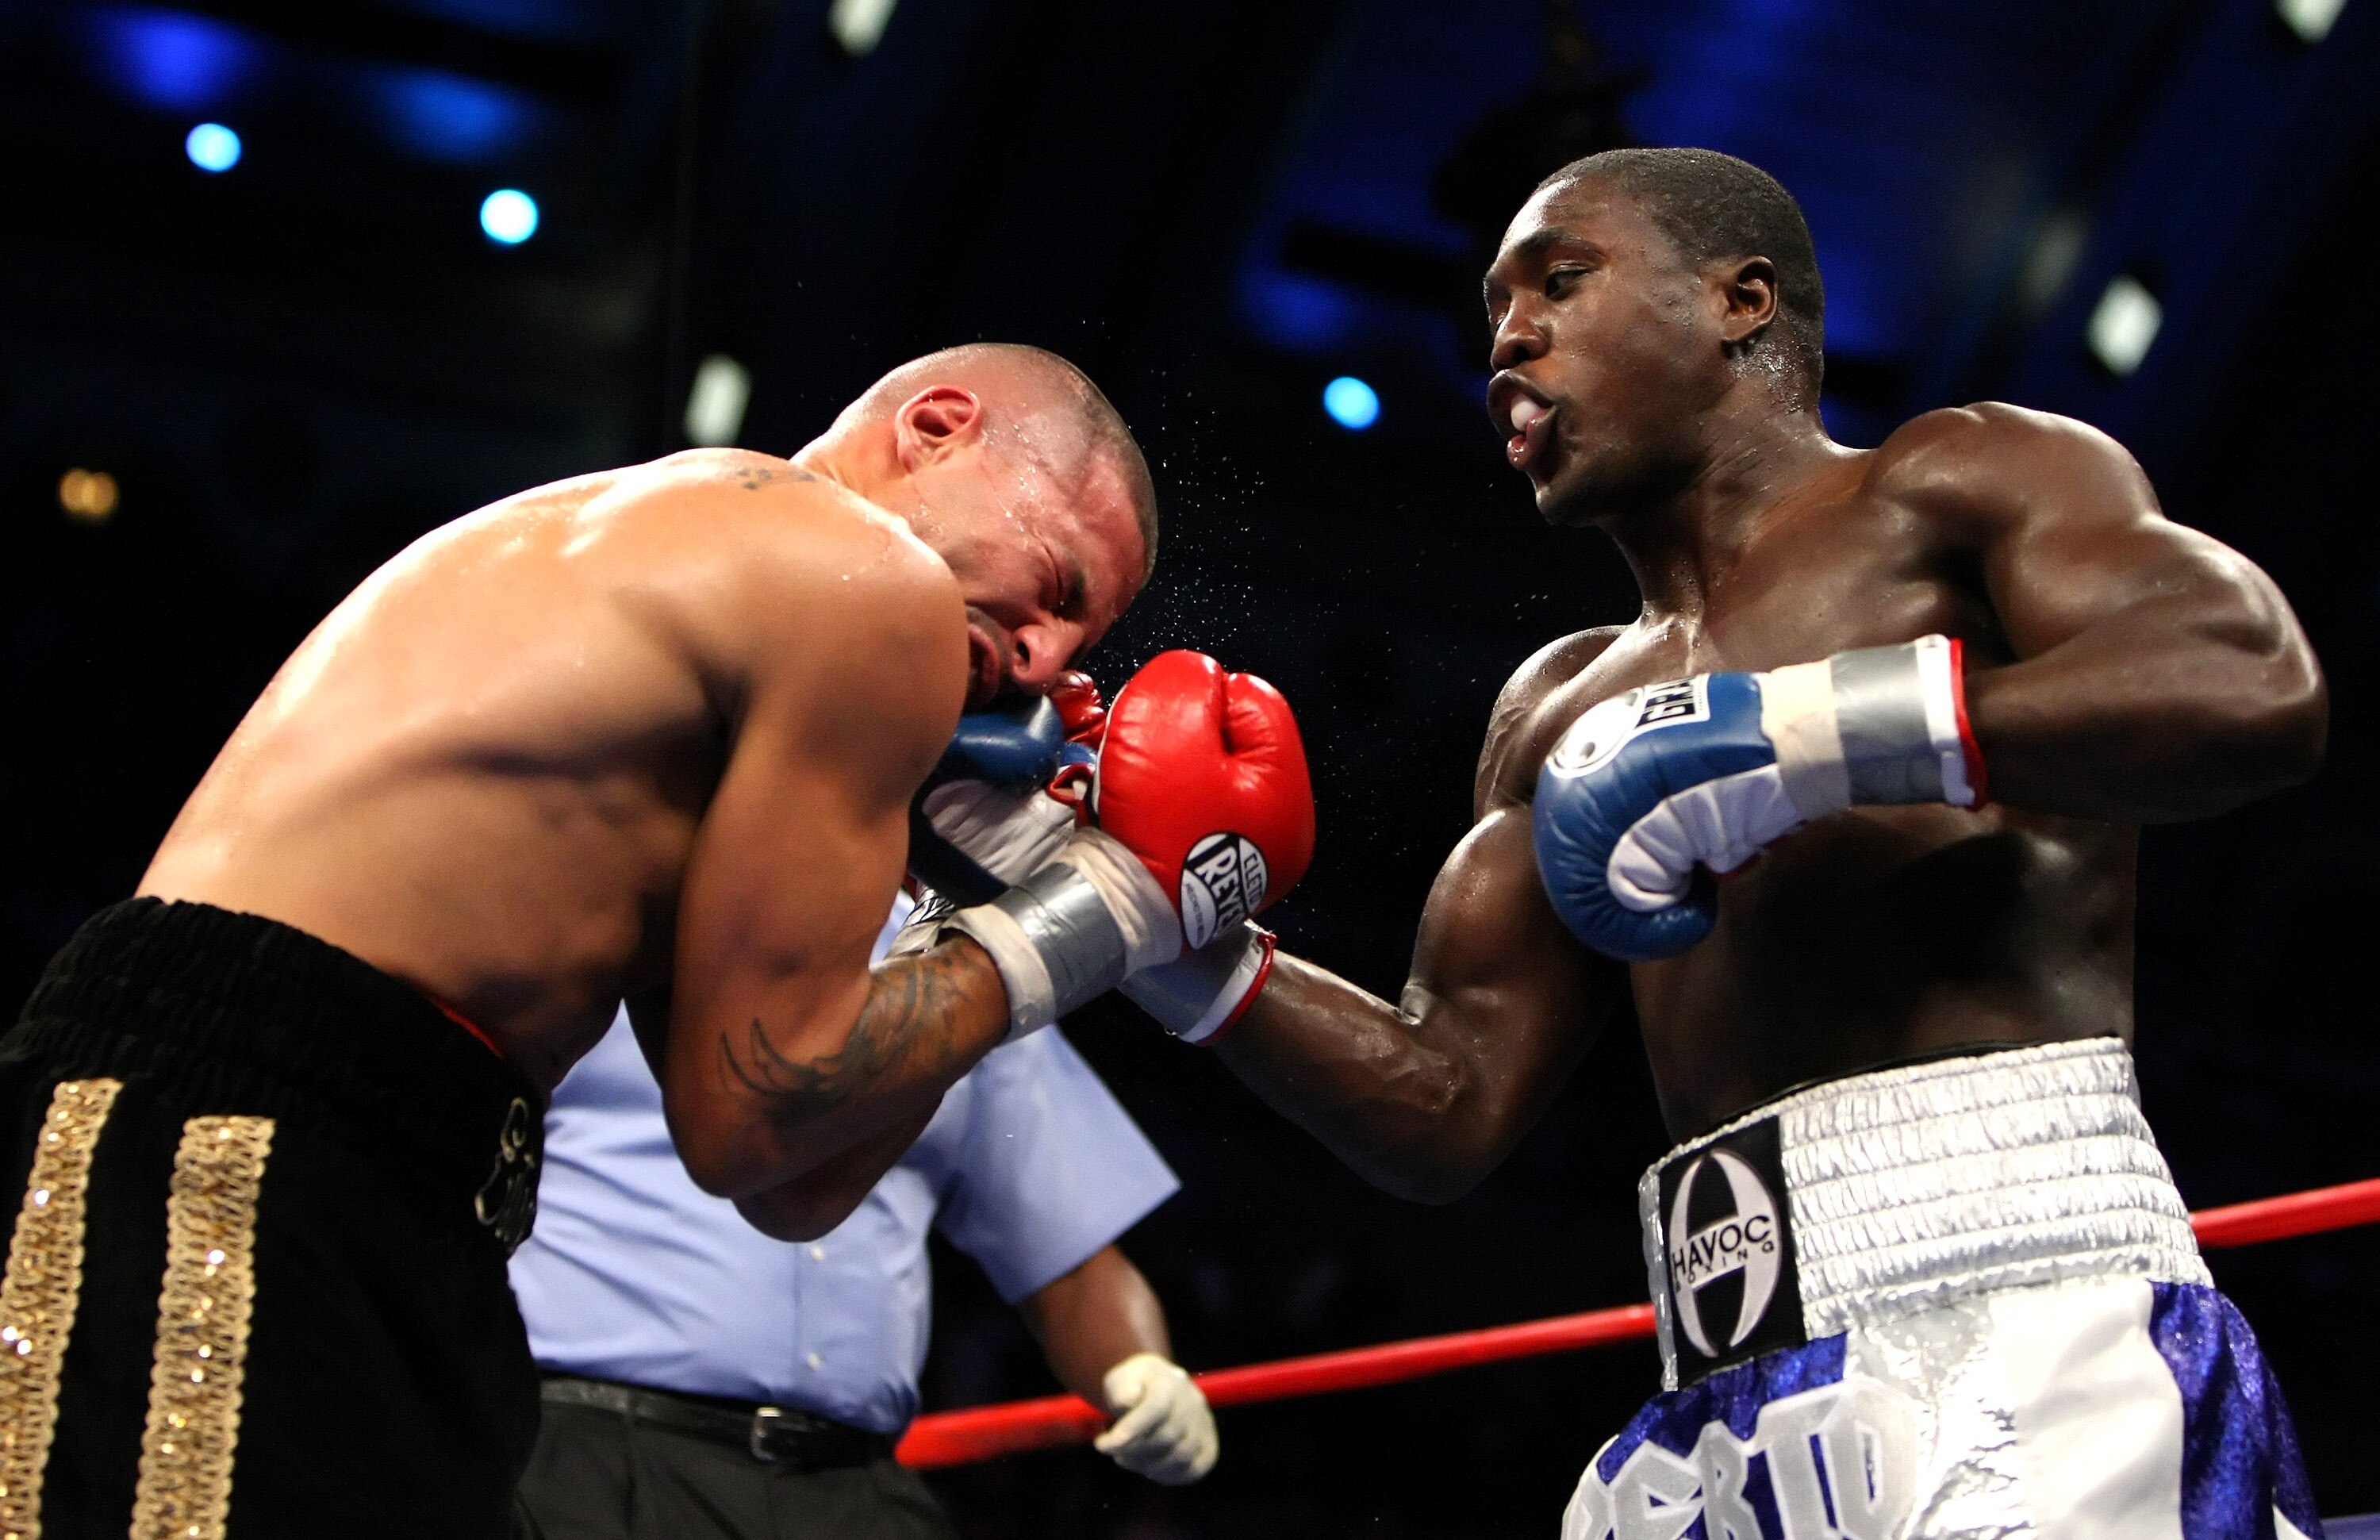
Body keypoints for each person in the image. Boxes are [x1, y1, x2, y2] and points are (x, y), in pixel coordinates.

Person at [1143, 148, 2326, 1537]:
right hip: (1734, 1409)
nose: (1508, 339)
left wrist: (1805, 736)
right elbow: (1447, 1105)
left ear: (1740, 301)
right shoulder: (1555, 712)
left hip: (2034, 1315)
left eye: (1559, 283)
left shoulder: (1954, 485)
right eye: (1491, 313)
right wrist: (1159, 934)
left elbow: (2252, 682)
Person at [0, 342, 1312, 1539]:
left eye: (1086, 641)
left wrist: (996, 890)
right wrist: (1100, 919)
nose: (1045, 659)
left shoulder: (709, 576)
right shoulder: (867, 581)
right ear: (937, 426)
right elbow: (762, 1100)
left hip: (389, 1161)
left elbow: (772, 1168)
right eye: (1060, 586)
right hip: (247, 1127)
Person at [510, 974, 1212, 1540]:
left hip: (853, 1482)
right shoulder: (634, 912)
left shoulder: (982, 968)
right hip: (591, 1454)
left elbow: (1070, 1255)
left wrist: (1143, 1367)